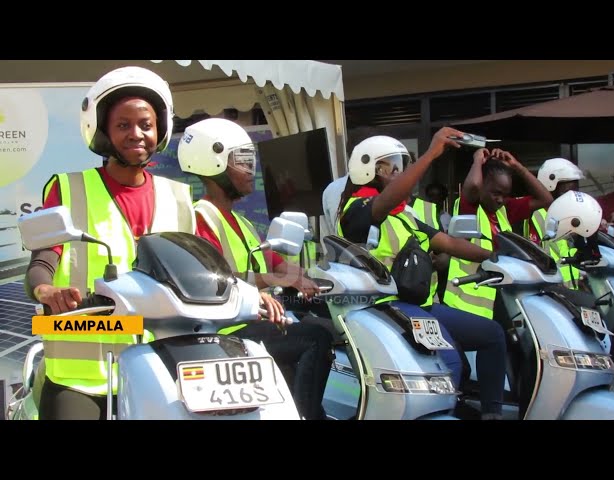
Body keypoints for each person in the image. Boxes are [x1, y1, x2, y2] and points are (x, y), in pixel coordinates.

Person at [23, 66, 198, 420]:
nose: (137, 134)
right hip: (82, 378)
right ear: (102, 131)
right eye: (123, 125)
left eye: (146, 124)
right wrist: (46, 293)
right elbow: (41, 265)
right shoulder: (68, 188)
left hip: (159, 369)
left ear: (160, 129)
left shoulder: (180, 197)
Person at [336, 128, 507, 420]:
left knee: (493, 335)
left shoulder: (404, 215)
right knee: (450, 362)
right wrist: (431, 153)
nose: (402, 174)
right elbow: (385, 202)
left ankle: (491, 414)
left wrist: (498, 256)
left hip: (419, 306)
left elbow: (449, 242)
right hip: (384, 309)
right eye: (395, 168)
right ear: (371, 170)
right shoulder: (358, 210)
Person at [177, 118, 333, 420]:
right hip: (229, 328)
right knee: (315, 339)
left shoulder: (244, 223)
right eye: (243, 162)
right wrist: (277, 277)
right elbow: (215, 278)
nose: (252, 171)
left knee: (325, 329)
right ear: (214, 163)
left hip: (259, 318)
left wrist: (300, 274)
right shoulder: (201, 218)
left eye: (251, 162)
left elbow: (272, 260)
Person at [443, 148, 553, 320]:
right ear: (482, 184)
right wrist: (477, 161)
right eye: (496, 193)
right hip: (465, 304)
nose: (500, 199)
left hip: (499, 304)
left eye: (505, 195)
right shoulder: (468, 208)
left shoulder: (505, 210)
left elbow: (545, 199)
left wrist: (518, 167)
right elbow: (472, 186)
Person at [524, 157, 585, 289]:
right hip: (552, 289)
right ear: (549, 185)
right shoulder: (537, 216)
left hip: (572, 289)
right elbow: (536, 256)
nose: (572, 196)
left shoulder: (570, 216)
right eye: (567, 190)